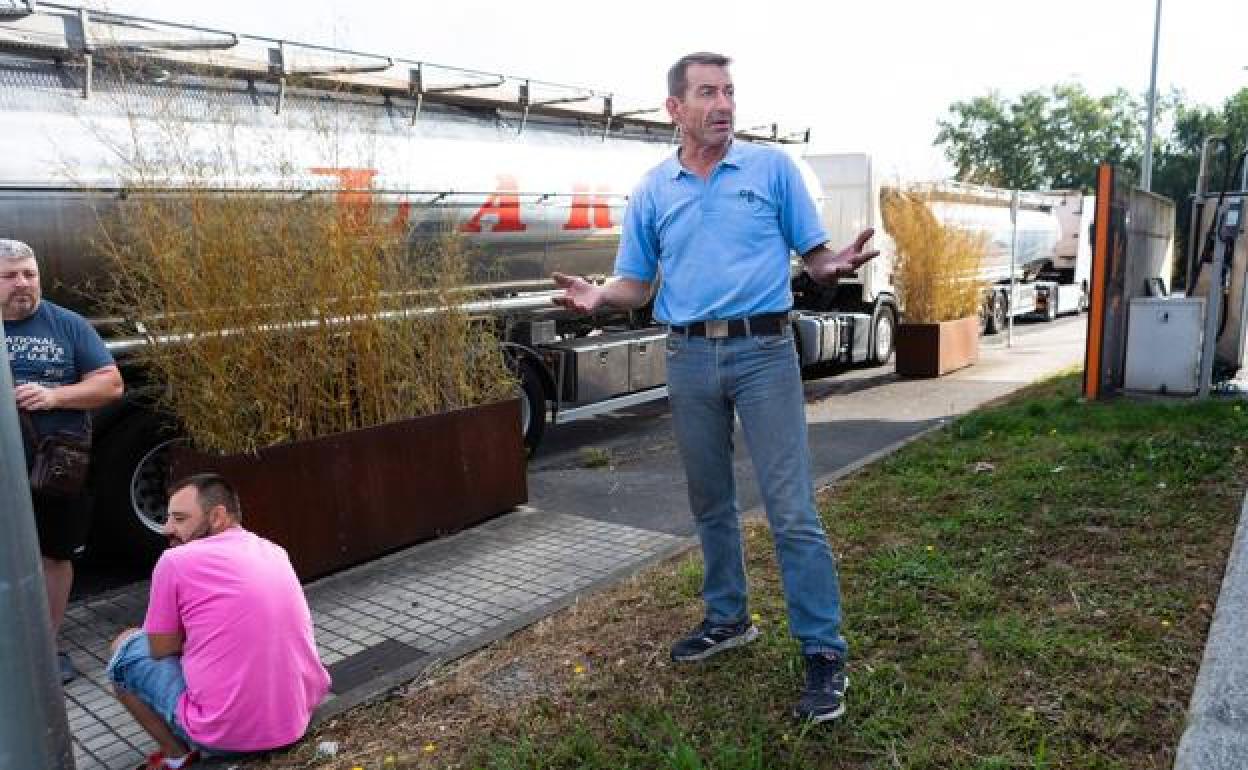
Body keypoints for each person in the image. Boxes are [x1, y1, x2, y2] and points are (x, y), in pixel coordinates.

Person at [552, 53, 878, 723]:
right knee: (710, 501)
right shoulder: (652, 191)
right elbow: (638, 284)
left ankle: (823, 651)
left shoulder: (772, 171)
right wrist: (601, 295)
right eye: (708, 93)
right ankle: (729, 618)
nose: (723, 103)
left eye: (729, 91)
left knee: (791, 509)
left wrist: (833, 264)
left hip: (764, 352)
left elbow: (814, 257)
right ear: (676, 108)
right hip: (689, 356)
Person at [106, 474, 331, 769]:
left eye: (180, 519)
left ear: (217, 516)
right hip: (296, 717)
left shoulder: (175, 562)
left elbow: (160, 649)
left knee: (124, 649)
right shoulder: (274, 550)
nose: (168, 528)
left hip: (226, 737)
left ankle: (178, 755)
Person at [2, 238, 124, 684]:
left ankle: (48, 646)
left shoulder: (67, 325)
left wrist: (55, 395)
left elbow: (111, 385)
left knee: (55, 554)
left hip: (54, 470)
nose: (22, 284)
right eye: (10, 276)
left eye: (29, 274)